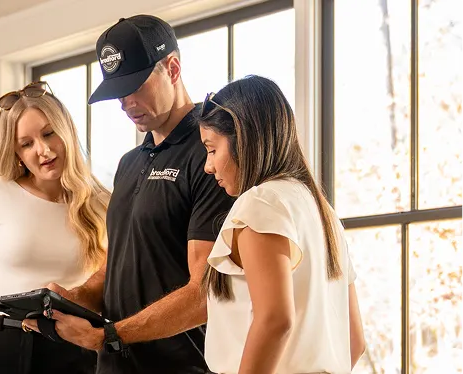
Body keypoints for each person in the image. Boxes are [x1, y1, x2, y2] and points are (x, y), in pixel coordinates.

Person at [25, 15, 235, 374]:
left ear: (172, 67)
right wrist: (74, 298)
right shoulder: (128, 164)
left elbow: (205, 291)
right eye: (117, 91)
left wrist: (111, 334)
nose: (125, 102)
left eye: (136, 85)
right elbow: (117, 263)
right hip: (115, 365)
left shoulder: (212, 154)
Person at [0, 81, 111, 374]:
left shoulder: (102, 203)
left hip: (73, 353)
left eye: (48, 133)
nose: (42, 150)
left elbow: (111, 283)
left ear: (66, 130)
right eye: (26, 144)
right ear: (16, 153)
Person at [197, 75, 367, 373]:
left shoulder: (261, 203)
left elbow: (275, 319)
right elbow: (354, 341)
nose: (208, 166)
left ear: (243, 138)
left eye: (212, 149)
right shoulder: (322, 211)